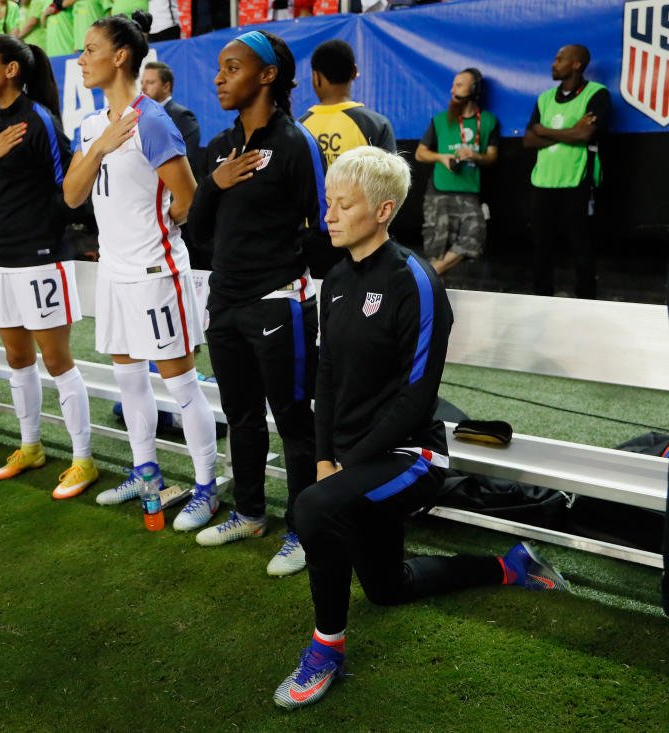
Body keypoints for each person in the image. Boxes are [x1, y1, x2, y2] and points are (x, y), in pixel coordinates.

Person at [273, 146, 570, 710]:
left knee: (312, 508)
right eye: (327, 203)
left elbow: (417, 400)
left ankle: (326, 651)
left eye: (344, 205)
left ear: (383, 210)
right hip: (353, 461)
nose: (329, 215)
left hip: (411, 456)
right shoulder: (334, 279)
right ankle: (509, 564)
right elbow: (328, 376)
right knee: (387, 589)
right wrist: (324, 458)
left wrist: (344, 466)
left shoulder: (416, 281)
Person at [64, 12, 218, 528]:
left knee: (181, 384)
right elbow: (71, 195)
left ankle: (205, 488)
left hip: (157, 274)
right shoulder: (91, 126)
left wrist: (160, 232)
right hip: (114, 273)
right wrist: (102, 146)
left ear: (120, 56)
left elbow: (189, 196)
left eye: (90, 50)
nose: (81, 59)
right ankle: (146, 473)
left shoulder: (151, 119)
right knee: (128, 380)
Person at [186, 30, 330, 575]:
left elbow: (323, 225)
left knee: (294, 419)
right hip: (224, 302)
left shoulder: (295, 143)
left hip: (277, 302)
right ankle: (249, 511)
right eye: (220, 68)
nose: (219, 77)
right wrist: (214, 183)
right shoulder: (221, 146)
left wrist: (309, 288)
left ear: (267, 76)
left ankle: (304, 529)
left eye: (232, 67)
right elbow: (197, 234)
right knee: (241, 414)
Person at [0, 34, 99, 496]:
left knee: (58, 361)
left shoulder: (40, 121)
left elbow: (72, 195)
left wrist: (44, 235)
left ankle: (84, 459)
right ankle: (31, 446)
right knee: (18, 360)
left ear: (11, 70)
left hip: (41, 260)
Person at [523, 44, 610, 300]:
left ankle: (586, 300)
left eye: (560, 59)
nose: (554, 63)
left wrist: (544, 130)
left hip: (577, 182)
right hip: (543, 182)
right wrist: (570, 132)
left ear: (577, 64)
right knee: (541, 248)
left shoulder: (597, 94)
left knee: (581, 248)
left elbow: (586, 133)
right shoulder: (545, 98)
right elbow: (528, 140)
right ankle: (541, 298)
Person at [414, 68, 499, 276]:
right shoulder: (440, 119)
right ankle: (433, 292)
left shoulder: (488, 121)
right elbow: (420, 153)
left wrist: (475, 156)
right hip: (439, 192)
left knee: (475, 238)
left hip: (470, 192)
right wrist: (441, 157)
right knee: (437, 248)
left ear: (474, 89)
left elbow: (492, 156)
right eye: (453, 85)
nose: (452, 90)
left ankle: (425, 276)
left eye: (459, 85)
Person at [298, 39, 395, 165]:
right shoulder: (377, 125)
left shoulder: (299, 127)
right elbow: (392, 179)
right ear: (354, 72)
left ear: (315, 77)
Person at [141, 60, 200, 178]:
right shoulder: (138, 116)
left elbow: (186, 162)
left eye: (150, 83)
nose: (143, 88)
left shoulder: (183, 117)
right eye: (142, 83)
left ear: (166, 86)